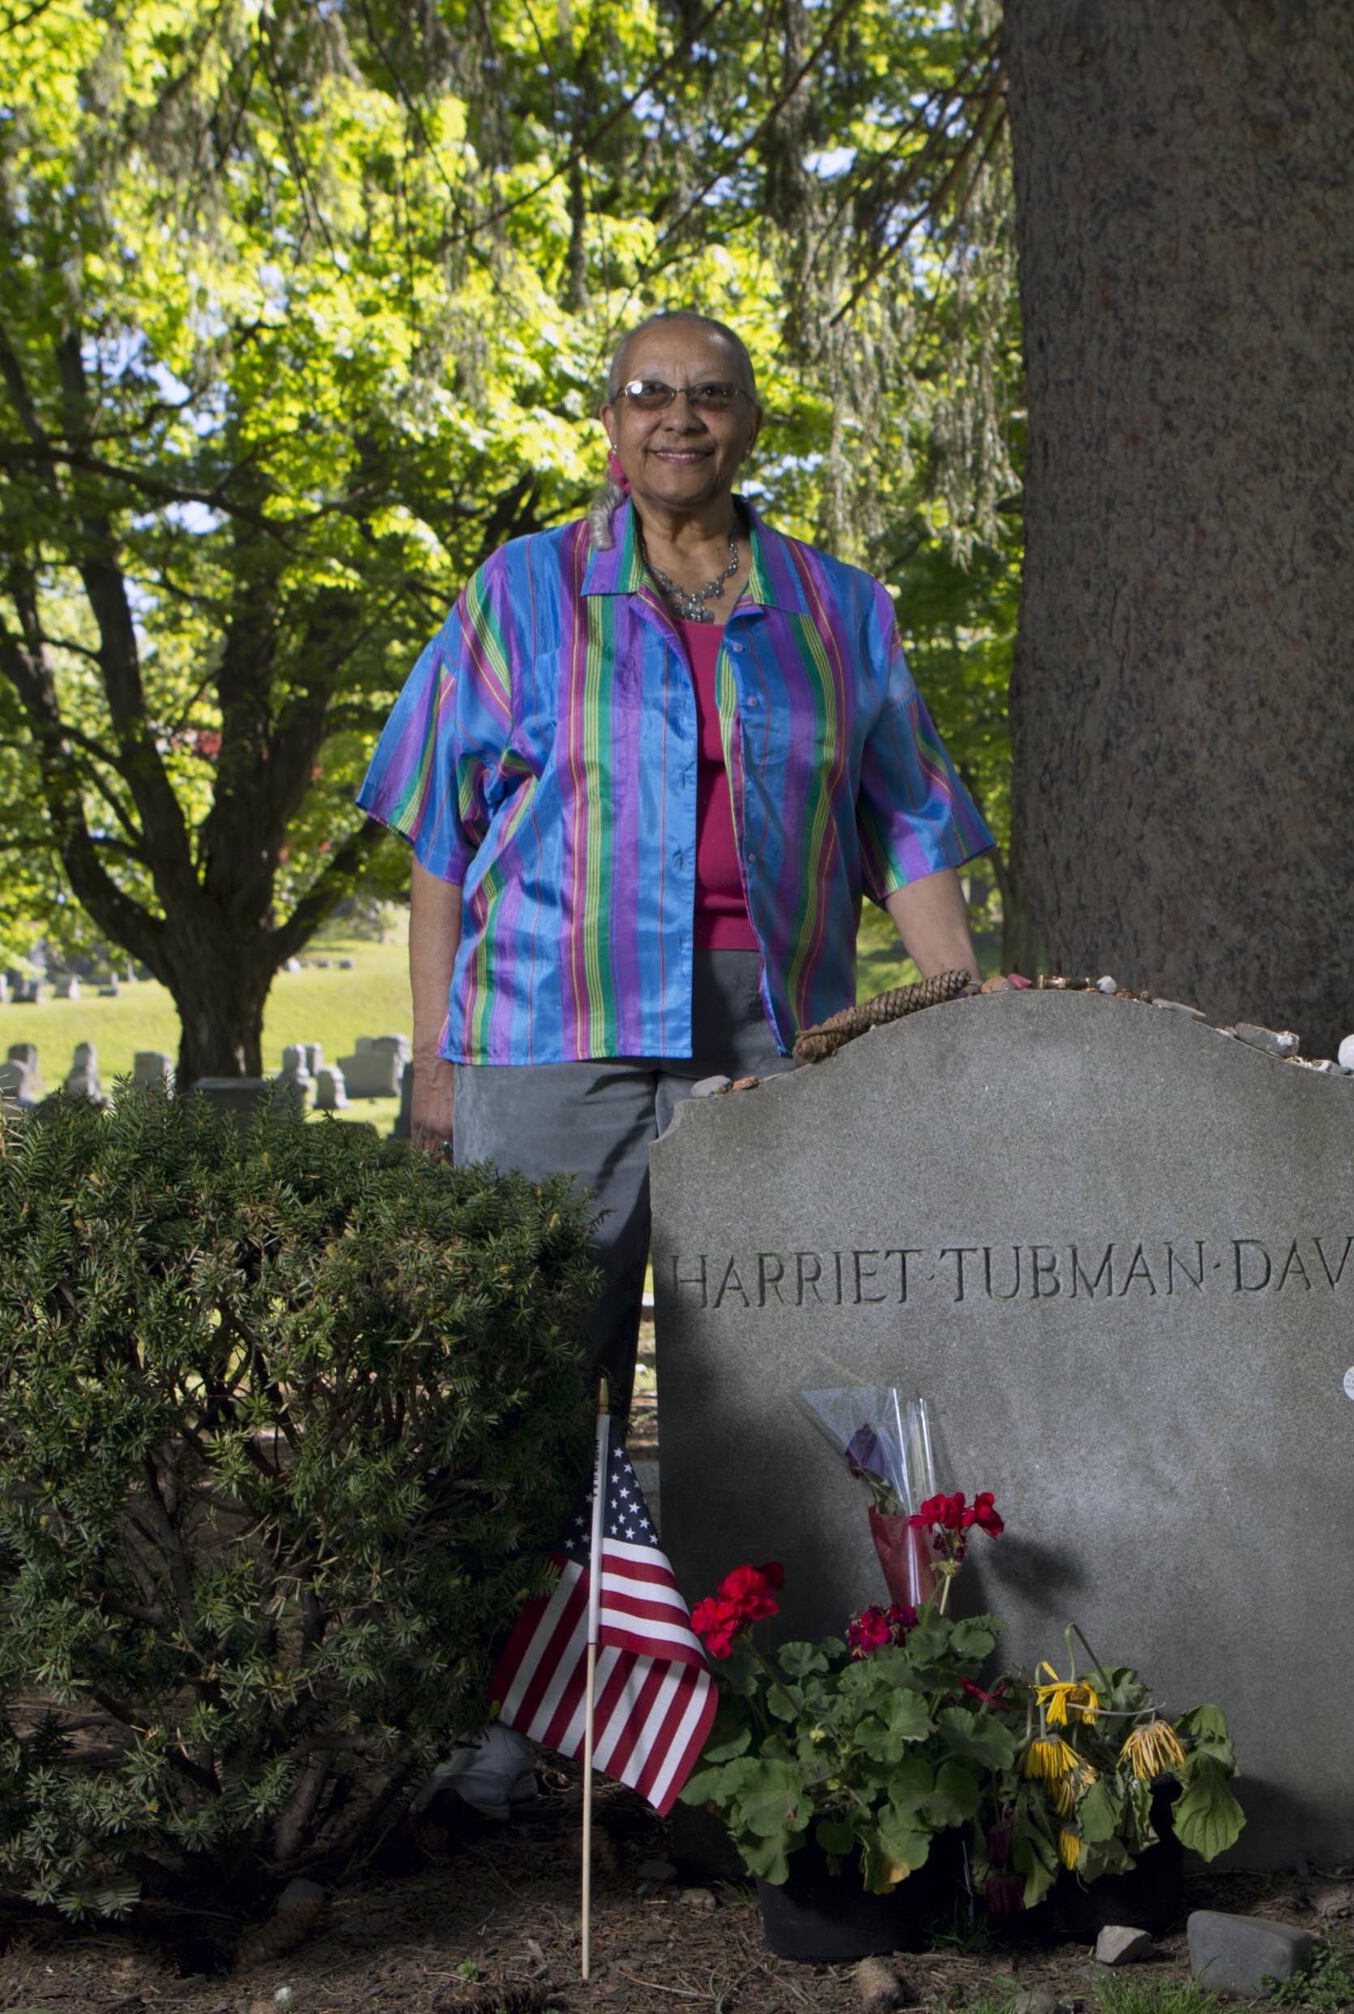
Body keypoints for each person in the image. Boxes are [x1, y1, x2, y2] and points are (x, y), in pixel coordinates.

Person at [356, 309, 992, 1814]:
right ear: (610, 423)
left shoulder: (840, 610)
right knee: (530, 1372)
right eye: (649, 396)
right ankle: (492, 1726)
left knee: (771, 1373)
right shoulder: (521, 594)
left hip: (774, 1034)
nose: (678, 420)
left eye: (708, 397)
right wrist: (439, 1053)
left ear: (750, 422)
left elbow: (905, 822)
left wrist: (957, 995)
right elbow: (438, 845)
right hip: (543, 1030)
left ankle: (770, 1711)